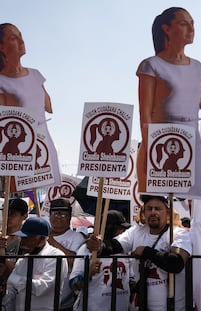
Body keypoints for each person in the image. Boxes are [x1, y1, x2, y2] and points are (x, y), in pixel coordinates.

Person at [136, 7, 201, 197]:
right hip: (160, 142)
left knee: (191, 201)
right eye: (184, 24)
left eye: (193, 24)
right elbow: (145, 114)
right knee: (159, 202)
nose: (191, 29)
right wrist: (150, 148)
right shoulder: (150, 65)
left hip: (191, 142)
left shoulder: (198, 67)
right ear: (166, 29)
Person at [87, 194, 191, 310]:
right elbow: (114, 245)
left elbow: (176, 263)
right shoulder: (136, 232)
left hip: (174, 307)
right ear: (143, 212)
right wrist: (99, 245)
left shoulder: (179, 234)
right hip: (141, 306)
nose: (153, 212)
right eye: (149, 208)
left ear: (167, 212)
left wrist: (146, 251)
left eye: (158, 208)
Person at [0, 23, 61, 185]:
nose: (21, 40)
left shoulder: (35, 74)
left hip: (44, 143)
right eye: (14, 37)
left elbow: (49, 107)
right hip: (19, 150)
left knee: (49, 191)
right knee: (22, 196)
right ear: (2, 47)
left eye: (20, 35)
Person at [69, 210, 132, 311]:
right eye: (120, 228)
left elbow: (131, 280)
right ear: (109, 228)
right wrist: (89, 273)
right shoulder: (87, 249)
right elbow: (74, 285)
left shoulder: (125, 249)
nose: (123, 232)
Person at [2, 217, 68, 310]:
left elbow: (40, 288)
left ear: (41, 239)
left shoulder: (56, 257)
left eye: (27, 238)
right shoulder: (23, 260)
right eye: (22, 238)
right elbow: (11, 292)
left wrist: (14, 279)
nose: (22, 242)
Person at [47, 198, 86, 311]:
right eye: (55, 213)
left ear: (69, 217)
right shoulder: (41, 236)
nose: (59, 216)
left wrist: (52, 243)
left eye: (63, 213)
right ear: (49, 216)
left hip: (64, 303)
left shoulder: (76, 237)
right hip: (40, 300)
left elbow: (74, 261)